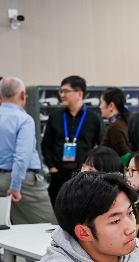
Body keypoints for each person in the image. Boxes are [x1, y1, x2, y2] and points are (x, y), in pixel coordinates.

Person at [0, 77, 55, 224]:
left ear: (0, 95)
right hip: (22, 182)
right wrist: (15, 187)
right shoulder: (24, 119)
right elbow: (22, 156)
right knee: (49, 226)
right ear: (22, 95)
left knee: (18, 227)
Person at [41, 75, 105, 206]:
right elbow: (46, 144)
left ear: (79, 93)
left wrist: (92, 169)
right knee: (58, 208)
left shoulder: (93, 118)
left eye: (66, 91)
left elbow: (102, 146)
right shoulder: (55, 117)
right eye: (61, 91)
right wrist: (51, 167)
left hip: (82, 173)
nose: (62, 95)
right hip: (58, 173)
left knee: (81, 208)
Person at [99, 87, 131, 166]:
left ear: (111, 105)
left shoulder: (115, 126)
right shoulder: (122, 122)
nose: (100, 106)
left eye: (101, 102)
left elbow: (124, 154)